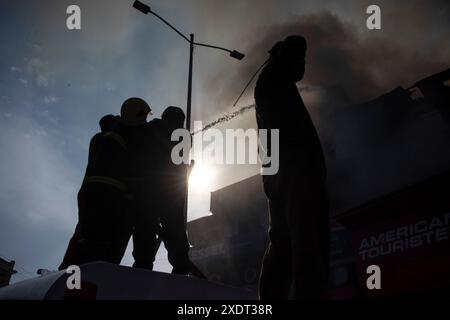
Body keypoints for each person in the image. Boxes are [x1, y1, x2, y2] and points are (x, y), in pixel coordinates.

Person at [254, 35, 330, 299]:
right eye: (301, 59)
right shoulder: (275, 76)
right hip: (295, 167)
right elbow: (297, 46)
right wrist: (289, 48)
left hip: (278, 170)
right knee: (307, 240)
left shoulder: (271, 82)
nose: (303, 65)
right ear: (287, 57)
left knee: (284, 243)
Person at [59, 114, 131, 269]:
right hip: (105, 193)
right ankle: (91, 270)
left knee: (83, 233)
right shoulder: (107, 139)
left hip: (90, 193)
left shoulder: (99, 139)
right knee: (102, 236)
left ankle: (68, 269)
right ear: (112, 125)